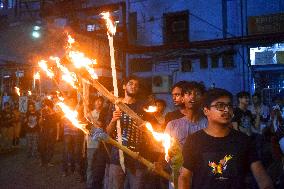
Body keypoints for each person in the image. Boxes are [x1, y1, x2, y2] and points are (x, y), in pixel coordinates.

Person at [178, 88, 274, 189]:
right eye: (220, 106)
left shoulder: (243, 141)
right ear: (206, 110)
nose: (227, 110)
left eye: (229, 106)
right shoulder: (194, 140)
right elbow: (185, 176)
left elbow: (261, 176)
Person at [106, 75, 154, 189]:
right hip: (118, 155)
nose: (134, 86)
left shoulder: (143, 107)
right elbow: (107, 133)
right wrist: (113, 120)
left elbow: (152, 132)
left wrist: (146, 129)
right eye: (131, 83)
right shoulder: (115, 105)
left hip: (139, 156)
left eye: (136, 85)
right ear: (124, 86)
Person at [165, 81, 207, 188]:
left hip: (202, 178)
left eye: (197, 94)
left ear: (202, 98)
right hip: (177, 177)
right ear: (183, 98)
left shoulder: (209, 125)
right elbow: (165, 151)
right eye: (188, 93)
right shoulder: (173, 125)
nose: (192, 97)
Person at [86, 96, 109, 189]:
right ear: (94, 102)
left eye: (101, 101)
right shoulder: (89, 114)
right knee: (91, 165)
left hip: (103, 144)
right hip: (92, 143)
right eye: (97, 101)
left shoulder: (106, 113)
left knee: (101, 166)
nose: (99, 103)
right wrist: (91, 122)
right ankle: (89, 184)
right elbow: (86, 128)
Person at [39, 99, 59, 167]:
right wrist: (41, 118)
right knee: (42, 147)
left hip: (52, 132)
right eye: (44, 105)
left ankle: (48, 161)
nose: (45, 106)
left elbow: (57, 125)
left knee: (50, 148)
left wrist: (57, 135)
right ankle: (42, 161)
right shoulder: (43, 112)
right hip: (44, 132)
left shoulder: (55, 114)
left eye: (46, 105)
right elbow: (40, 123)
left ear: (49, 105)